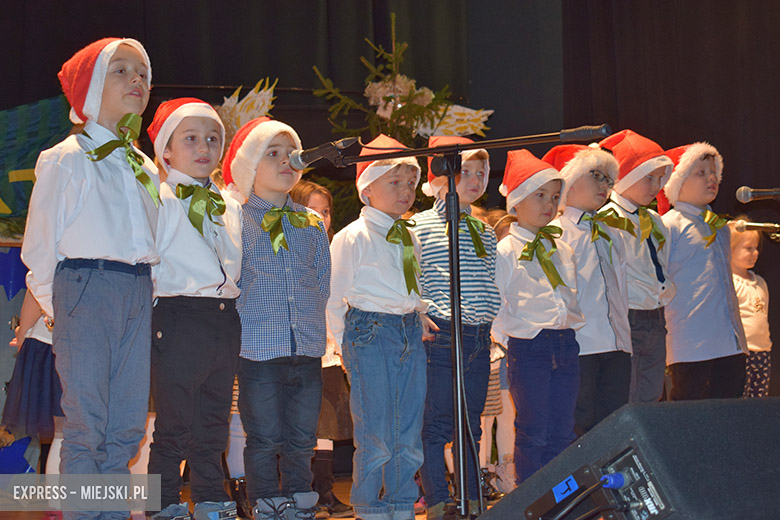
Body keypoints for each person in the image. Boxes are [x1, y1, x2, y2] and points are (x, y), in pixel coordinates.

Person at [22, 38, 159, 520]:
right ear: (90, 86)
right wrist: (63, 309)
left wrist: (147, 295)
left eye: (143, 73)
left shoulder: (144, 166)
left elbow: (151, 240)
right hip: (84, 287)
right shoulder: (66, 157)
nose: (137, 79)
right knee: (87, 425)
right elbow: (40, 247)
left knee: (127, 425)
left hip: (137, 290)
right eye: (121, 70)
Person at [221, 117, 331, 520]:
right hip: (258, 350)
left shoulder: (311, 221)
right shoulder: (236, 218)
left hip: (306, 347)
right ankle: (266, 500)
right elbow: (230, 279)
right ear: (250, 164)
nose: (287, 161)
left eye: (291, 154)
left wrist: (309, 324)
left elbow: (322, 280)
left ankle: (300, 498)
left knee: (303, 436)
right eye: (273, 154)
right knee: (264, 435)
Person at [145, 98, 242, 520]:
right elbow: (149, 261)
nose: (204, 147)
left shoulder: (230, 204)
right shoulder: (159, 198)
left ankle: (209, 496)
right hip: (179, 315)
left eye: (213, 138)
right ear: (166, 150)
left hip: (224, 317)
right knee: (173, 423)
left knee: (215, 419)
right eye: (190, 138)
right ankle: (162, 501)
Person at [327, 134, 427, 520]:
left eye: (411, 183)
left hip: (407, 331)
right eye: (394, 182)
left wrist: (418, 312)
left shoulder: (409, 235)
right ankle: (370, 506)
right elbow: (334, 297)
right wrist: (344, 346)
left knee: (408, 429)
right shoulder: (352, 236)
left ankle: (401, 503)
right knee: (375, 431)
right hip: (369, 333)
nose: (406, 191)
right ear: (367, 188)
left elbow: (411, 286)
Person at [414, 136, 499, 519]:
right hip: (443, 334)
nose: (476, 180)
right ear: (441, 176)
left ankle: (471, 498)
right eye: (466, 172)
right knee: (435, 424)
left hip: (479, 335)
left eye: (482, 173)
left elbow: (490, 277)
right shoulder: (419, 226)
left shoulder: (484, 230)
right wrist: (419, 311)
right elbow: (412, 277)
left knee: (471, 425)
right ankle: (437, 500)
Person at [493, 149, 584, 485]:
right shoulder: (505, 250)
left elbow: (570, 298)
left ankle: (563, 498)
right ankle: (532, 498)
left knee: (563, 429)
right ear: (516, 201)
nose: (549, 204)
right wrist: (511, 340)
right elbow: (496, 303)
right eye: (540, 195)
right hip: (529, 347)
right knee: (533, 429)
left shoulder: (562, 248)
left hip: (565, 343)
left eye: (555, 197)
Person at [544, 144, 633, 435]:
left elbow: (621, 287)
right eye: (596, 175)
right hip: (581, 346)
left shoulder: (612, 231)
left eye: (609, 179)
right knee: (579, 425)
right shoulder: (556, 233)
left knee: (615, 425)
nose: (605, 185)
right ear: (569, 179)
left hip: (617, 345)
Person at [660, 142, 748, 400]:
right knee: (690, 410)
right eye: (701, 173)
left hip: (730, 342)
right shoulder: (669, 225)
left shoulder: (720, 227)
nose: (712, 178)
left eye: (714, 173)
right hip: (691, 344)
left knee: (730, 409)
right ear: (677, 182)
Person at [290, 179, 353, 518]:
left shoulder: (335, 250)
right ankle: (301, 493)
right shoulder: (287, 250)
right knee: (302, 424)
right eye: (311, 210)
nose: (320, 218)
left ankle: (325, 492)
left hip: (329, 350)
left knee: (327, 423)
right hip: (298, 347)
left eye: (325, 212)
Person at [598, 130, 675, 404]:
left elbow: (661, 263)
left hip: (656, 317)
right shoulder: (606, 219)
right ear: (625, 176)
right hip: (629, 315)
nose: (656, 186)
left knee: (652, 394)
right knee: (627, 394)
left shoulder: (654, 220)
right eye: (648, 177)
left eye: (660, 178)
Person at [728, 218, 772, 398]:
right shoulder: (730, 282)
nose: (755, 253)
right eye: (748, 248)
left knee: (758, 399)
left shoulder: (760, 282)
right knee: (739, 397)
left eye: (756, 248)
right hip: (741, 352)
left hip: (762, 351)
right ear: (730, 249)